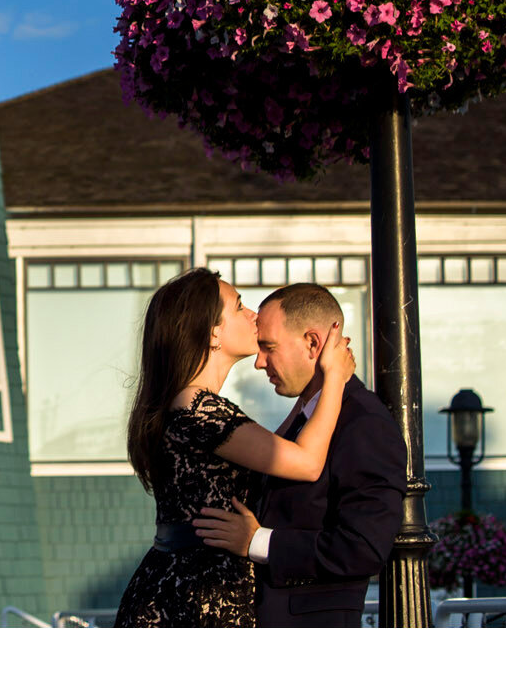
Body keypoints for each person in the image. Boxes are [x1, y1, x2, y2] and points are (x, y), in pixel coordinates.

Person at [114, 268, 354, 627]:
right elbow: (306, 463)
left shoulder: (191, 404)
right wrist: (335, 376)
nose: (253, 315)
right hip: (196, 596)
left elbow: (278, 452)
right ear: (213, 333)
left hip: (185, 586)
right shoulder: (198, 409)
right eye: (240, 307)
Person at [191, 283, 403, 628]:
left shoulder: (365, 424)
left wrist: (256, 541)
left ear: (313, 344)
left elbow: (364, 547)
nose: (259, 363)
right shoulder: (304, 418)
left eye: (269, 347)